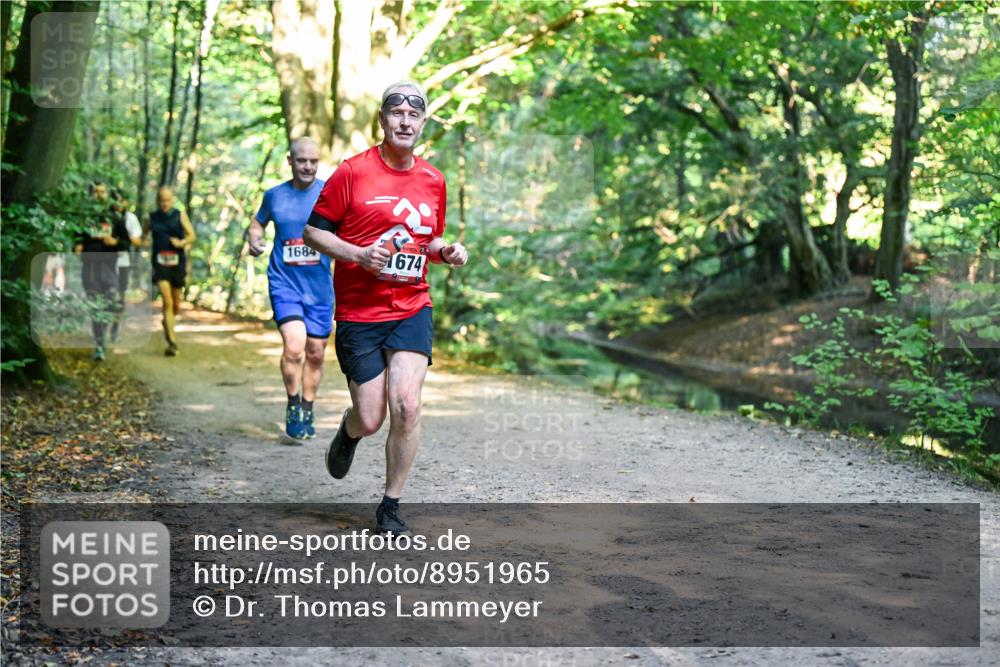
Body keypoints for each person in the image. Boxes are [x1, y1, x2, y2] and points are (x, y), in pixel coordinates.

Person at [304, 81, 468, 535]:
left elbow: (428, 239)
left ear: (423, 123)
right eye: (396, 113)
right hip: (360, 312)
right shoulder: (353, 172)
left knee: (408, 404)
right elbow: (314, 232)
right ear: (382, 119)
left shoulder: (434, 180)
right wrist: (357, 255)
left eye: (413, 115)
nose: (405, 121)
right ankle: (350, 430)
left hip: (412, 304)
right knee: (372, 417)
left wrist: (445, 252)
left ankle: (390, 505)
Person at [247, 137, 331, 439]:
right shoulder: (274, 196)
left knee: (316, 352)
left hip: (320, 288)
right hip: (284, 282)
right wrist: (253, 238)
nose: (307, 166)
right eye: (301, 160)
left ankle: (308, 406)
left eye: (313, 161)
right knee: (295, 346)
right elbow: (258, 223)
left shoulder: (329, 193)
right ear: (290, 161)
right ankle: (293, 403)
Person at [73, 181, 130, 361]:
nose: (99, 195)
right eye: (96, 192)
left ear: (106, 194)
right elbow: (74, 238)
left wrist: (115, 243)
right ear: (91, 195)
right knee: (96, 307)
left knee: (110, 302)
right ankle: (99, 344)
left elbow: (126, 242)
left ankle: (104, 335)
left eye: (102, 191)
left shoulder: (114, 217)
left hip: (109, 268)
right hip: (89, 268)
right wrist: (77, 246)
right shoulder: (84, 217)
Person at [147, 186, 195, 356]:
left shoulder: (179, 215)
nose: (164, 203)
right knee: (166, 301)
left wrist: (181, 243)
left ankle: (168, 321)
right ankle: (172, 342)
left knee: (175, 304)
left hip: (177, 263)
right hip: (160, 264)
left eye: (167, 200)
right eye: (161, 200)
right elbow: (142, 237)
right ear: (157, 200)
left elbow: (192, 235)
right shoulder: (152, 217)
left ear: (172, 199)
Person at [110, 189, 143, 343]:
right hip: (105, 262)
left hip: (123, 262)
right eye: (115, 200)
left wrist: (123, 234)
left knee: (119, 297)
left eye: (121, 200)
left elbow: (137, 241)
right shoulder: (105, 216)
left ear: (126, 202)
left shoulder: (130, 218)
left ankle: (115, 328)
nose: (118, 204)